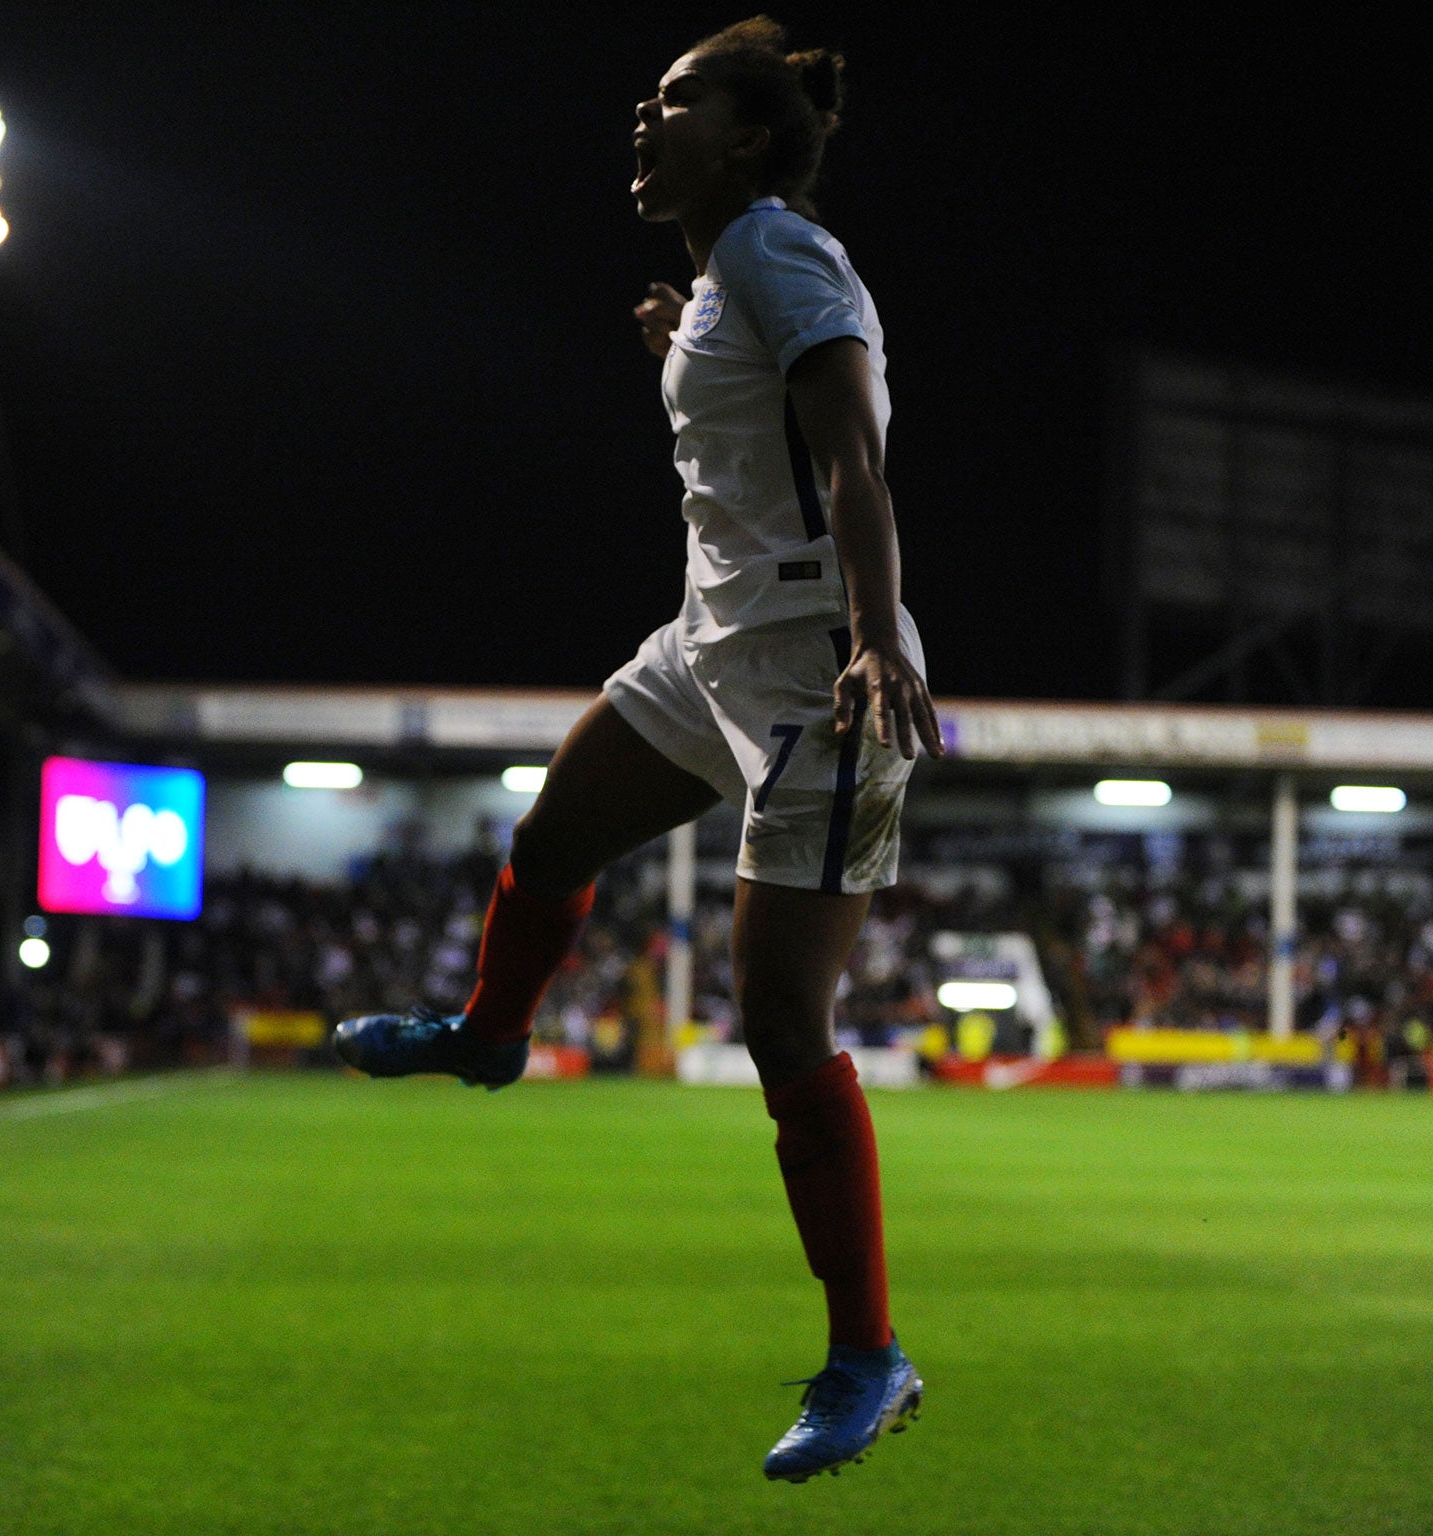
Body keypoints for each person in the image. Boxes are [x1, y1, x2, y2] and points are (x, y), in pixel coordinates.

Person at [335, 16, 943, 1484]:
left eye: (675, 101)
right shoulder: (733, 278)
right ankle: (489, 1036)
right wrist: (684, 349)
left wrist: (872, 632)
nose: (641, 116)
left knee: (781, 1026)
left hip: (817, 672)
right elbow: (763, 436)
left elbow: (852, 449)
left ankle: (870, 1358)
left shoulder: (781, 255)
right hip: (710, 649)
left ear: (745, 138)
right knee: (553, 836)